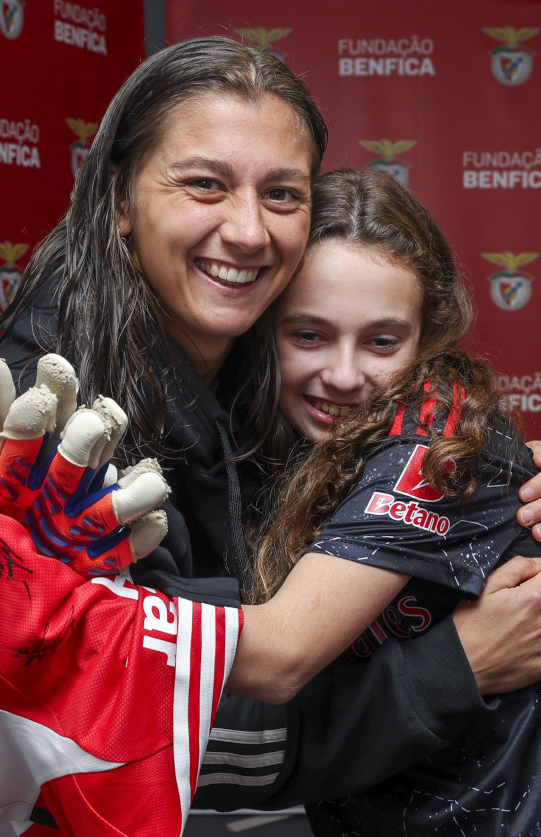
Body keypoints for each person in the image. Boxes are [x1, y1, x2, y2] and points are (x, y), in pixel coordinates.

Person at [0, 35, 541, 834]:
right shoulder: (51, 417)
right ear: (119, 199)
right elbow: (153, 734)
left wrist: (501, 476)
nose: (248, 230)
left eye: (282, 193)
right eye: (204, 183)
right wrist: (458, 665)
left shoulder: (251, 368)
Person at [240, 167, 539, 834]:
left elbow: (279, 653)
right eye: (308, 334)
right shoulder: (280, 440)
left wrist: (75, 614)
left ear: (427, 335)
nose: (343, 376)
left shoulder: (436, 439)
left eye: (381, 341)